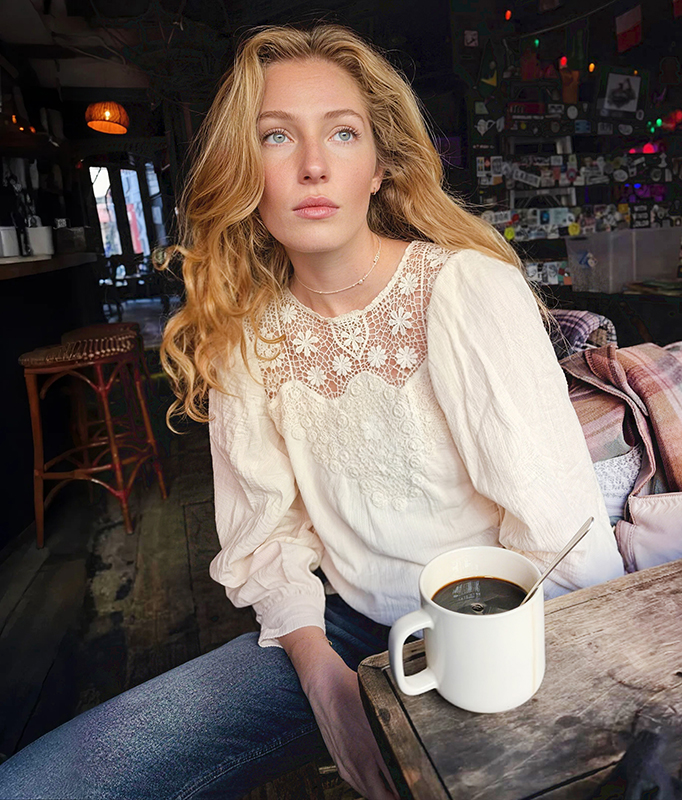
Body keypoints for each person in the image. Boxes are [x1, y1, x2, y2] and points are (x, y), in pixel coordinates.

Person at [0, 23, 623, 800]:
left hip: (498, 617)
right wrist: (324, 681)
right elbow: (266, 536)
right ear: (244, 170)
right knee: (41, 783)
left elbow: (558, 530)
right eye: (276, 136)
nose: (314, 164)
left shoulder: (465, 290)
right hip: (339, 628)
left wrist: (543, 692)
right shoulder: (243, 335)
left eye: (343, 132)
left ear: (379, 166)